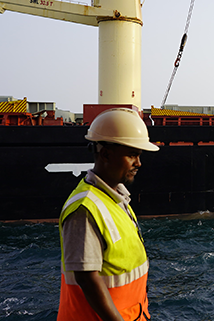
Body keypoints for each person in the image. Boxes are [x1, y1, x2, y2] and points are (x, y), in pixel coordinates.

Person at [58, 108, 159, 321]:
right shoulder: (85, 209)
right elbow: (87, 279)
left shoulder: (116, 198)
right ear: (105, 154)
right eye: (132, 154)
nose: (138, 163)